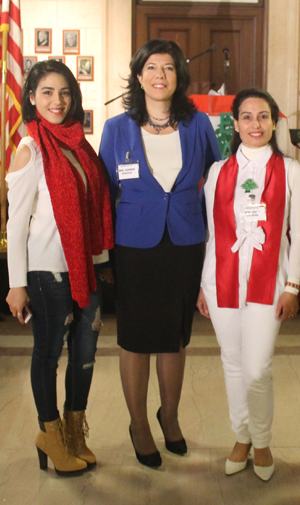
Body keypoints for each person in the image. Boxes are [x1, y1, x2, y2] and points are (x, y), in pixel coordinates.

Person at [99, 39, 221, 468]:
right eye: (151, 67)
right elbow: (103, 195)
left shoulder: (200, 125)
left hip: (186, 244)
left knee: (174, 335)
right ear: (138, 75)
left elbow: (219, 182)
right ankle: (139, 424)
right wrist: (102, 258)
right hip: (134, 247)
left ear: (178, 77)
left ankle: (169, 417)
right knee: (134, 337)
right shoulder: (116, 129)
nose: (159, 76)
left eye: (168, 68)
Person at [6, 60, 114, 476]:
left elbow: (93, 212)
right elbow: (16, 224)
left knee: (85, 353)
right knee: (48, 354)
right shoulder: (30, 148)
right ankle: (49, 435)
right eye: (47, 92)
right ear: (32, 98)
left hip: (84, 267)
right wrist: (17, 285)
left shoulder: (79, 146)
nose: (57, 100)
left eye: (64, 92)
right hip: (46, 270)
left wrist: (101, 262)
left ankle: (74, 431)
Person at [197, 88, 300, 481]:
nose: (255, 125)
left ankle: (262, 440)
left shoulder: (290, 169)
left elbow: (297, 234)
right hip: (221, 281)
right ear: (236, 123)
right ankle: (241, 436)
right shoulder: (217, 171)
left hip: (269, 283)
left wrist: (292, 286)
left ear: (274, 121)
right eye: (247, 117)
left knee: (257, 367)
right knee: (232, 362)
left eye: (263, 117)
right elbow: (210, 234)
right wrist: (201, 285)